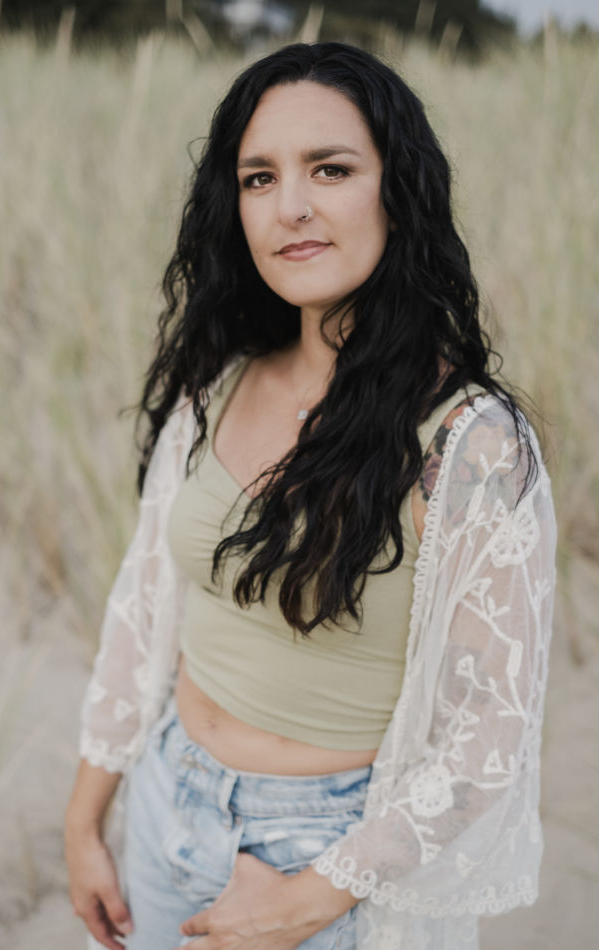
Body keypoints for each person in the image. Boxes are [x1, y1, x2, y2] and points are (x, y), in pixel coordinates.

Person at [64, 41, 556, 950]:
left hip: (328, 850)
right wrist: (85, 817)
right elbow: (144, 606)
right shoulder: (216, 385)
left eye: (329, 169)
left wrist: (315, 896)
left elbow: (487, 736)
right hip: (167, 799)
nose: (289, 205)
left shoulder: (467, 440)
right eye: (258, 177)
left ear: (396, 191)